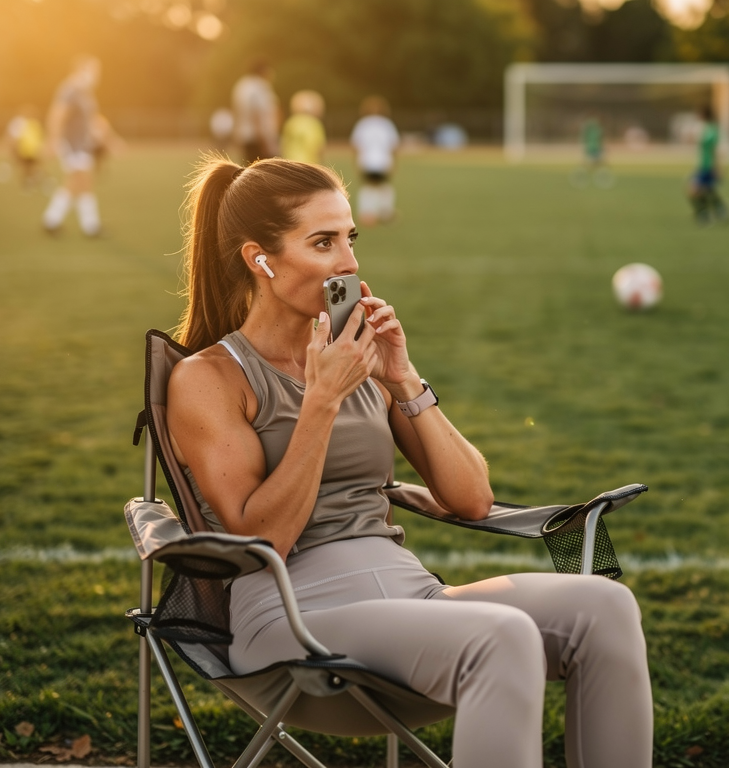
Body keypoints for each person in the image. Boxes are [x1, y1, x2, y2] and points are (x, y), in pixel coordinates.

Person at [165, 156, 654, 768]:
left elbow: (471, 498)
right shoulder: (208, 378)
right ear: (258, 258)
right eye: (323, 242)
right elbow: (263, 538)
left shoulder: (358, 358)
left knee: (606, 608)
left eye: (350, 238)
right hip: (291, 617)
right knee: (500, 639)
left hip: (408, 597)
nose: (349, 263)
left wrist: (401, 376)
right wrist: (319, 402)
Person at [42, 56, 104, 237]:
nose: (97, 75)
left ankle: (82, 224)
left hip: (82, 145)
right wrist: (53, 140)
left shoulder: (85, 92)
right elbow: (57, 114)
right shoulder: (71, 89)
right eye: (94, 69)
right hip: (72, 144)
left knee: (81, 182)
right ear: (81, 69)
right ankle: (56, 221)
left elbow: (90, 119)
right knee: (79, 180)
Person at [350, 95, 400, 225]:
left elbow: (356, 145)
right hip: (383, 161)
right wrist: (395, 163)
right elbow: (394, 146)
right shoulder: (386, 124)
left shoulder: (362, 124)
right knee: (384, 187)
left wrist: (355, 163)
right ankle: (385, 212)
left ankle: (367, 214)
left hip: (366, 161)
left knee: (368, 187)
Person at [687, 104, 729, 225]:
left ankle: (704, 214)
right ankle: (720, 209)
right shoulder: (704, 128)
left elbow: (715, 150)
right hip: (702, 165)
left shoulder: (712, 130)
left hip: (709, 166)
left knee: (693, 189)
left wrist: (718, 167)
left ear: (704, 114)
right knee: (706, 190)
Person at [232, 59, 279, 164]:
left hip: (246, 137)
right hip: (258, 138)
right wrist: (264, 141)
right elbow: (257, 114)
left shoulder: (242, 85)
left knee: (248, 172)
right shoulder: (259, 87)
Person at [280, 89, 326, 165]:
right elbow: (317, 147)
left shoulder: (290, 122)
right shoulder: (313, 123)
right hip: (308, 163)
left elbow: (284, 144)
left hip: (289, 162)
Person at [5, 104, 44, 188]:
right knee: (27, 167)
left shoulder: (33, 123)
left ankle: (31, 181)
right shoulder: (22, 123)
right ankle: (29, 182)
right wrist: (14, 148)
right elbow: (16, 138)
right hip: (25, 150)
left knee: (32, 167)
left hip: (31, 150)